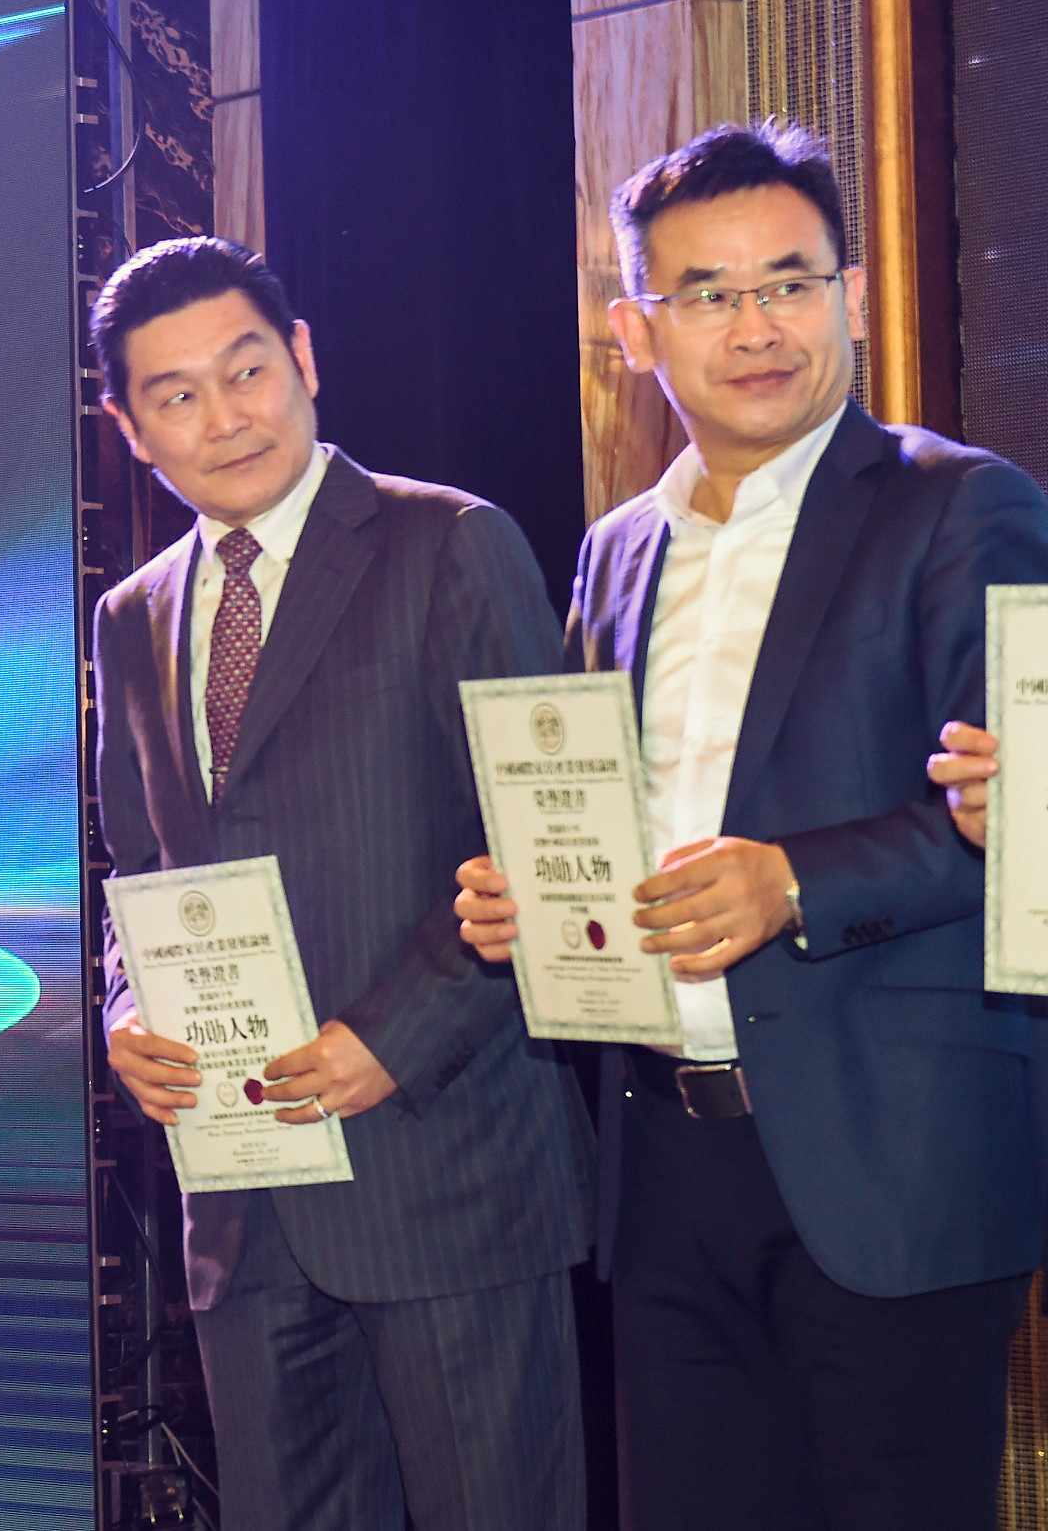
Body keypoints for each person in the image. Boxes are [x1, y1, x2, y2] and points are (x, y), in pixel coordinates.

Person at [453, 120, 1048, 1531]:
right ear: (635, 331)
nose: (757, 325)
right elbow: (600, 812)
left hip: (892, 1156)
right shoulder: (616, 548)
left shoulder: (964, 504)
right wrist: (531, 897)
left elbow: (1021, 819)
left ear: (852, 295)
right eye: (708, 293)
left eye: (789, 281)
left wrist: (795, 882)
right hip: (665, 1164)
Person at [92, 237, 591, 1531]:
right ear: (130, 428)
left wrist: (393, 1036)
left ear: (303, 358)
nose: (226, 415)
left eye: (247, 369)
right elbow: (139, 868)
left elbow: (544, 848)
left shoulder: (450, 543)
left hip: (445, 1167)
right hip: (244, 1195)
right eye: (177, 394)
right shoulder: (131, 616)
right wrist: (128, 1011)